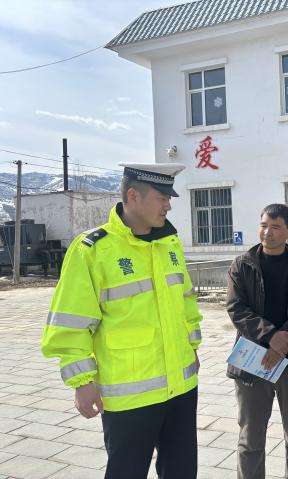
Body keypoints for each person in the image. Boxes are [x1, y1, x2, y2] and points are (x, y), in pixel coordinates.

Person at [42, 163, 202, 479]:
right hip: (130, 395)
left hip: (181, 387)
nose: (168, 206)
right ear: (133, 196)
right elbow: (71, 322)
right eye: (162, 198)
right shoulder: (93, 250)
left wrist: (192, 348)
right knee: (126, 472)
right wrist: (82, 382)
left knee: (182, 470)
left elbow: (186, 304)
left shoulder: (169, 243)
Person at [226, 203, 288, 479]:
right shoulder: (242, 265)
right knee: (251, 437)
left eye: (276, 227)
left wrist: (283, 341)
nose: (267, 232)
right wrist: (271, 336)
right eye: (264, 225)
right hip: (253, 362)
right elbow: (236, 308)